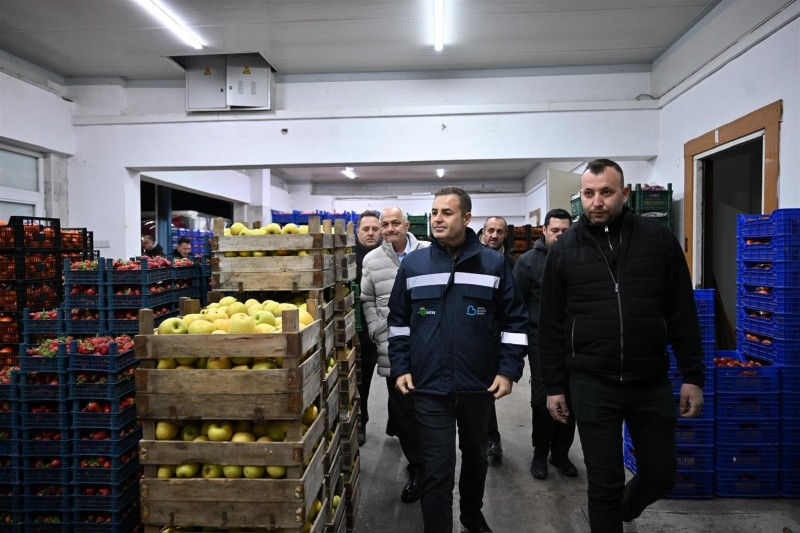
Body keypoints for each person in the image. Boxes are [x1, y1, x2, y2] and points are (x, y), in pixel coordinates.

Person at [538, 159, 705, 533]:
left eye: (606, 192)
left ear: (624, 193)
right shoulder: (564, 249)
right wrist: (553, 385)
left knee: (662, 474)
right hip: (592, 382)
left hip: (649, 380)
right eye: (589, 193)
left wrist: (693, 375)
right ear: (581, 196)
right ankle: (610, 516)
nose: (597, 201)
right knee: (604, 484)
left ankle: (624, 510)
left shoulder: (658, 240)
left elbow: (682, 311)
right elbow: (549, 325)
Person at [387, 187, 528, 533]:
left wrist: (508, 371)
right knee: (437, 466)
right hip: (428, 384)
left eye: (447, 213)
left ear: (466, 218)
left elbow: (514, 322)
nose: (437, 219)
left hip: (478, 384)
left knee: (476, 458)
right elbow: (398, 321)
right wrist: (401, 367)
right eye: (434, 212)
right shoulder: (414, 265)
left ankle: (471, 514)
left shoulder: (493, 263)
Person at [361, 206, 430, 504]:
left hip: (429, 346)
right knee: (403, 411)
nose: (390, 229)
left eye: (395, 223)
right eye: (385, 224)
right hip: (393, 348)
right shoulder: (372, 259)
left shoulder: (429, 252)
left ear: (407, 225)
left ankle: (432, 464)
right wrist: (377, 329)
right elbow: (367, 299)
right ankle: (418, 469)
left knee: (429, 409)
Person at [512, 208, 577, 480]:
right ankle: (540, 452)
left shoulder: (578, 259)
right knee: (543, 400)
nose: (560, 235)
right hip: (540, 342)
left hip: (573, 342)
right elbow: (516, 306)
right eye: (555, 230)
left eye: (565, 231)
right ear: (544, 231)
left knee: (571, 399)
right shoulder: (527, 263)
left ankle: (560, 453)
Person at [477, 216, 515, 465]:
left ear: (505, 235)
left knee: (489, 389)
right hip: (479, 334)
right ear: (483, 232)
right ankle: (490, 438)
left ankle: (491, 438)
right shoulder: (474, 259)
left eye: (499, 231)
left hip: (499, 334)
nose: (494, 235)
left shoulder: (510, 263)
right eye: (490, 230)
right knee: (483, 390)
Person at [354, 210, 382, 446]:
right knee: (360, 380)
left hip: (383, 329)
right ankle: (360, 421)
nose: (371, 233)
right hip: (355, 332)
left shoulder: (387, 256)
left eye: (375, 228)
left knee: (396, 379)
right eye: (366, 229)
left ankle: (398, 425)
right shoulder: (347, 257)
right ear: (357, 231)